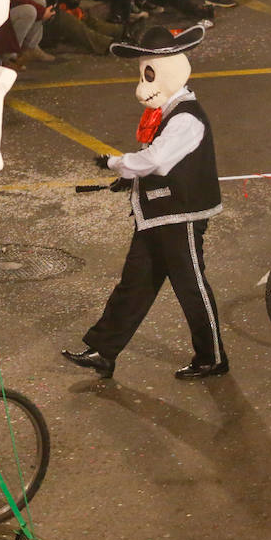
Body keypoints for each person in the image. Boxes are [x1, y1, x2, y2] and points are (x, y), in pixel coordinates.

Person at [63, 24, 228, 380]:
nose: (143, 85)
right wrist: (129, 177)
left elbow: (155, 160)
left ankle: (212, 358)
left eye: (149, 73)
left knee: (191, 286)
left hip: (179, 215)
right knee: (134, 284)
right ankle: (104, 351)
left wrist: (116, 163)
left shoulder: (185, 117)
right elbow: (154, 162)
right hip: (158, 214)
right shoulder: (169, 112)